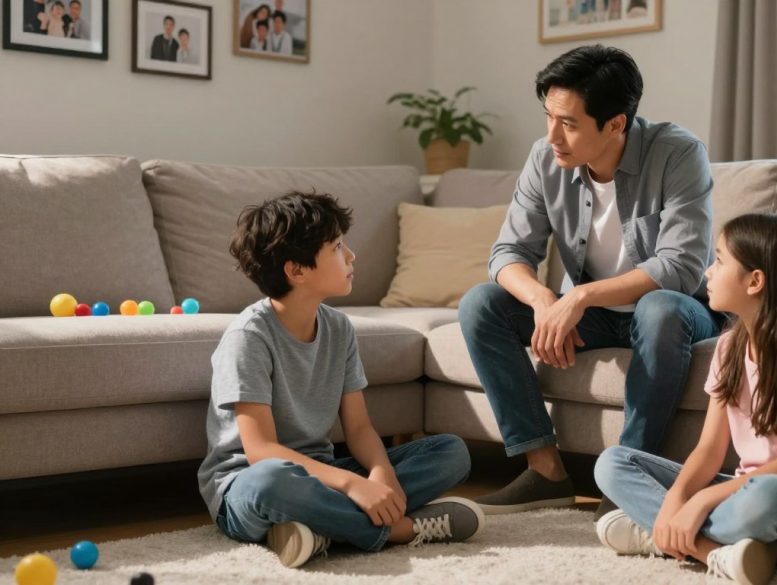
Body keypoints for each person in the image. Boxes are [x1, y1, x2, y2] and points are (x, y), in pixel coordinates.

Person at [459, 44, 720, 518]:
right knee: (482, 305)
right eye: (549, 117)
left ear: (616, 123)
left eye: (570, 123)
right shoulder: (545, 159)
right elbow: (509, 254)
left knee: (658, 308)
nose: (552, 135)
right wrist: (543, 300)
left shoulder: (679, 153)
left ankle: (627, 480)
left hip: (677, 313)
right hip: (595, 318)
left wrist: (578, 296)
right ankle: (545, 473)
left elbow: (679, 268)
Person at [197, 192, 484, 569]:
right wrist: (354, 485)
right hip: (249, 486)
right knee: (272, 481)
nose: (351, 256)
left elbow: (360, 427)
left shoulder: (339, 328)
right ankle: (400, 530)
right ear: (296, 271)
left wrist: (380, 473)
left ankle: (318, 529)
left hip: (324, 475)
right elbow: (261, 451)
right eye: (336, 248)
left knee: (452, 451)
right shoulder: (248, 337)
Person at [593, 214, 777, 585]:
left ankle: (665, 535)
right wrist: (678, 497)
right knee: (611, 463)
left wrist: (700, 502)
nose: (708, 271)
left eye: (720, 260)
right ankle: (711, 549)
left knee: (768, 496)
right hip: (743, 493)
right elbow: (709, 450)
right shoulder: (727, 347)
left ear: (755, 281)